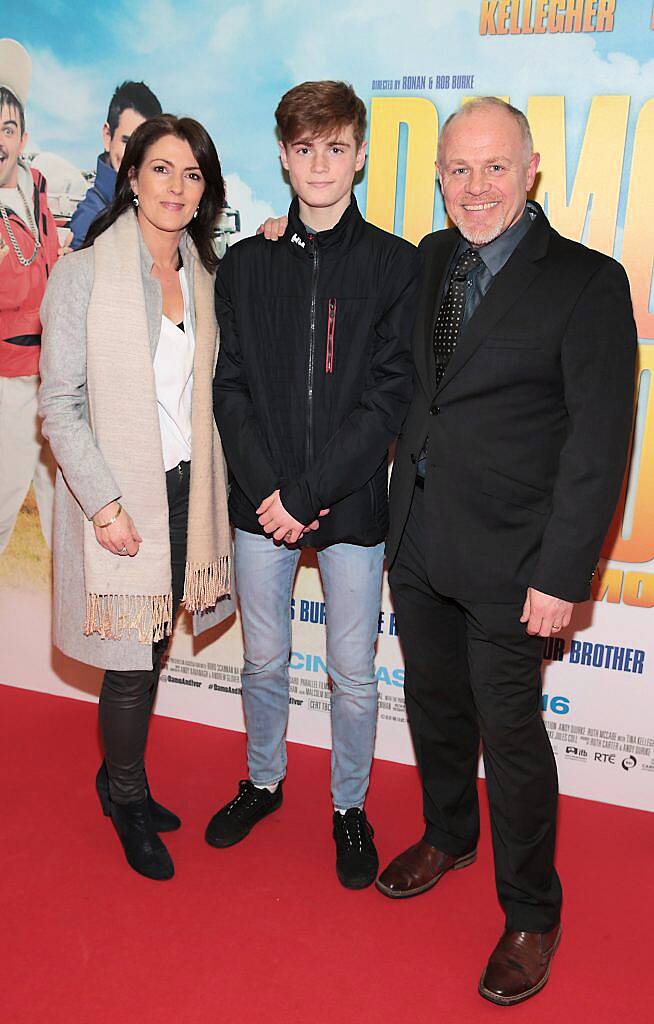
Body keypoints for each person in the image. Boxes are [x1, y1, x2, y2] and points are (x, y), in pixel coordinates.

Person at [378, 97, 637, 1004]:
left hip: (515, 563)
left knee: (513, 738)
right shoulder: (433, 256)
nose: (475, 187)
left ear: (531, 170)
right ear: (439, 175)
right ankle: (448, 832)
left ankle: (532, 912)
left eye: (494, 168)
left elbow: (601, 442)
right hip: (418, 542)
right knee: (434, 706)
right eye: (458, 169)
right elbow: (420, 389)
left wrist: (565, 573)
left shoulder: (587, 281)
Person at [209, 80, 419, 889]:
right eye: (305, 149)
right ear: (285, 157)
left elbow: (388, 397)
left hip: (354, 502)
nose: (320, 164)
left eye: (336, 148)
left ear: (360, 154)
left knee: (353, 674)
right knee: (262, 661)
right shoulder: (247, 262)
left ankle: (349, 808)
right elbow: (230, 388)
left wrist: (308, 496)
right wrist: (271, 490)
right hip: (258, 501)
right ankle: (263, 782)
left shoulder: (395, 265)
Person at [39, 114, 233, 881]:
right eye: (162, 169)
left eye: (192, 175)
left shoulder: (207, 278)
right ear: (130, 176)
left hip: (188, 492)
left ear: (205, 191)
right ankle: (125, 798)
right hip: (120, 500)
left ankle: (119, 779)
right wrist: (105, 504)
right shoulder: (83, 273)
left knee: (151, 650)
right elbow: (59, 403)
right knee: (128, 659)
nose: (176, 187)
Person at [0, 39, 60, 556]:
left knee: (65, 511)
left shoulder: (37, 184)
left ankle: (73, 633)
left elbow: (53, 265)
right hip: (7, 385)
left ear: (22, 135)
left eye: (8, 127)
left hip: (54, 379)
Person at [68, 80, 162, 250]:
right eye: (127, 141)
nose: (133, 155)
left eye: (144, 145)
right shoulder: (89, 219)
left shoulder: (158, 209)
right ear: (107, 136)